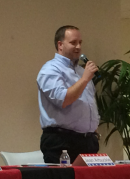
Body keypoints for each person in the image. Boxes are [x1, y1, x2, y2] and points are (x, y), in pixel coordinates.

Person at [37, 25, 100, 163]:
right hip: (62, 142)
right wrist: (85, 79)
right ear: (60, 45)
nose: (78, 47)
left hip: (87, 141)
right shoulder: (50, 69)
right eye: (73, 43)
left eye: (80, 43)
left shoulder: (80, 71)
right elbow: (63, 100)